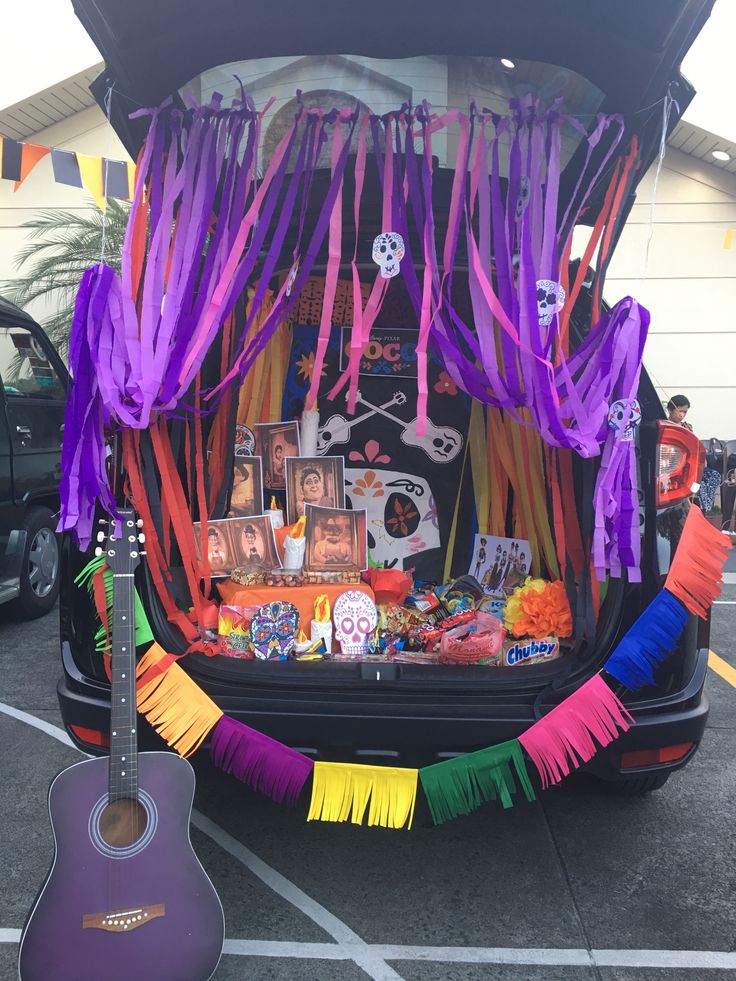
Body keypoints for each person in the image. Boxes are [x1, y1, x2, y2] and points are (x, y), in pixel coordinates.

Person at [667, 393, 720, 514]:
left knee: (714, 475)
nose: (681, 415)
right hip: (678, 467)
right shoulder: (666, 426)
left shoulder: (687, 427)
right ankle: (697, 505)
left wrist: (691, 435)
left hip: (691, 465)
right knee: (696, 485)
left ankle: (703, 505)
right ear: (670, 409)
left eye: (684, 412)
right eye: (679, 411)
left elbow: (695, 449)